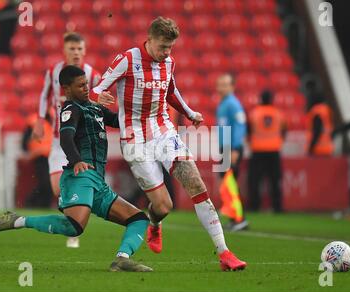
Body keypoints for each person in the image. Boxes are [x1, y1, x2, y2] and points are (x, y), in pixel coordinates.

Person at [94, 17, 246, 271]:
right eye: (163, 46)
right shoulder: (127, 60)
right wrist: (100, 97)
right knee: (164, 206)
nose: (166, 53)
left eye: (171, 48)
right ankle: (155, 223)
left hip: (164, 132)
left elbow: (171, 91)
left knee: (198, 187)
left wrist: (189, 112)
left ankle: (225, 253)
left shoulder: (168, 62)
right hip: (135, 140)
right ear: (149, 39)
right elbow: (97, 89)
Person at [0, 65, 152, 272]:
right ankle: (18, 220)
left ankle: (122, 258)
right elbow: (65, 137)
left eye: (86, 84)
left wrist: (137, 110)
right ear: (66, 89)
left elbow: (120, 121)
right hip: (81, 174)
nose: (85, 88)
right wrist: (76, 161)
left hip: (97, 182)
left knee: (139, 219)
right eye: (80, 86)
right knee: (74, 227)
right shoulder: (70, 109)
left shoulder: (95, 108)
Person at [32, 32, 101, 248]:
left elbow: (99, 100)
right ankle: (73, 221)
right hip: (58, 139)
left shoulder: (92, 75)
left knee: (77, 185)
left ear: (85, 51)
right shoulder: (53, 72)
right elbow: (45, 96)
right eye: (72, 49)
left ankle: (74, 230)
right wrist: (40, 120)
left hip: (81, 143)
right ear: (65, 50)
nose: (76, 53)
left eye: (80, 49)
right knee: (58, 189)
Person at [215, 73, 248, 232]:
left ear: (232, 87)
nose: (220, 87)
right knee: (228, 184)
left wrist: (235, 148)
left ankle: (240, 218)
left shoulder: (233, 104)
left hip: (231, 148)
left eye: (224, 84)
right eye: (219, 84)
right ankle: (234, 217)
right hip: (226, 147)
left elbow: (241, 126)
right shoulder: (223, 103)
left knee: (230, 183)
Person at [247, 90, 287, 213]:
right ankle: (277, 207)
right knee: (275, 180)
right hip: (274, 150)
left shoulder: (254, 113)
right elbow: (284, 131)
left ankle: (254, 206)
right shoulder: (279, 114)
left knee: (255, 180)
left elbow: (248, 131)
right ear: (271, 99)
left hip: (258, 150)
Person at [21, 113, 53, 208]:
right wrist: (28, 152)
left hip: (52, 155)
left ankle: (41, 204)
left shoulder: (51, 117)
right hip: (40, 156)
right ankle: (32, 202)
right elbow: (25, 140)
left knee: (47, 183)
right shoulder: (34, 121)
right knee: (45, 182)